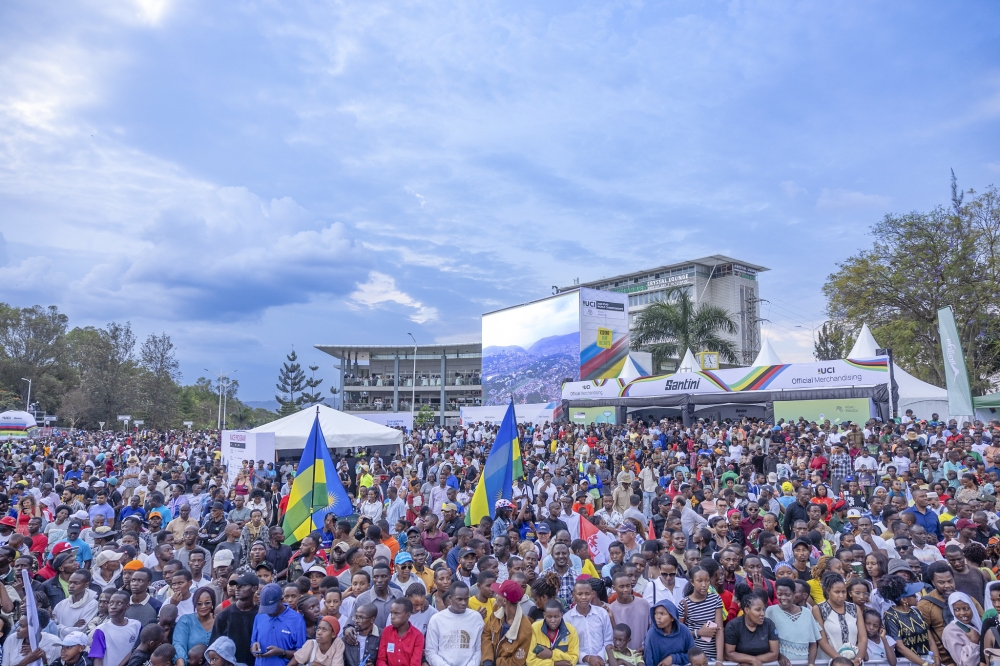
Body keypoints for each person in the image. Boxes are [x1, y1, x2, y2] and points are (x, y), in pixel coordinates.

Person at [880, 574, 939, 666]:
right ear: (904, 599)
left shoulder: (916, 612)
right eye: (914, 595)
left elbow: (930, 639)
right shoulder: (890, 616)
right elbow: (900, 647)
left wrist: (936, 658)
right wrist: (924, 664)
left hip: (928, 660)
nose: (917, 596)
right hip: (907, 663)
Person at [812, 572, 867, 665]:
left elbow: (863, 638)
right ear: (828, 591)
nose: (841, 596)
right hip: (829, 661)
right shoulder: (819, 609)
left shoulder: (854, 608)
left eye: (843, 592)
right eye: (837, 592)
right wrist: (843, 662)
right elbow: (822, 641)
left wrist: (858, 659)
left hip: (854, 662)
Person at [425, 583, 483, 666]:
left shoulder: (476, 618)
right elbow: (430, 652)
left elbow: (479, 649)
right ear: (450, 598)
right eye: (459, 599)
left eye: (466, 599)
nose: (463, 603)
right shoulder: (436, 620)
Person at [766, 578, 821, 665]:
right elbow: (765, 641)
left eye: (787, 595)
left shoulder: (807, 612)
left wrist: (811, 664)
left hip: (803, 663)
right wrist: (779, 656)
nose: (783, 598)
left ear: (794, 594)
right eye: (779, 594)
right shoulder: (771, 611)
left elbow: (813, 643)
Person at [250, 583, 307, 666]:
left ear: (281, 599)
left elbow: (301, 654)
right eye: (265, 608)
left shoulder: (297, 620)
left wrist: (281, 652)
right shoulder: (259, 616)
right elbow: (253, 643)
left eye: (271, 608)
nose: (268, 612)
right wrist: (254, 648)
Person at [723, 585, 780, 666]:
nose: (762, 614)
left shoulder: (769, 624)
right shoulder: (733, 626)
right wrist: (752, 660)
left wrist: (751, 662)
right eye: (758, 610)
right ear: (747, 610)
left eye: (763, 609)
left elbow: (774, 654)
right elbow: (729, 653)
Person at [209, 572, 258, 666]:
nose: (237, 588)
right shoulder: (224, 615)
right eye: (237, 585)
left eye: (243, 586)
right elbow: (215, 647)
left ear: (254, 588)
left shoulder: (261, 614)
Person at [678, 566, 723, 665]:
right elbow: (679, 634)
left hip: (711, 657)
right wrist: (698, 632)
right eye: (699, 581)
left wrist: (719, 659)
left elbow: (719, 631)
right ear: (692, 582)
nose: (704, 585)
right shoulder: (684, 604)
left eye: (707, 581)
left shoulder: (715, 599)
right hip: (692, 658)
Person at [482, 580, 532, 666]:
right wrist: (487, 660)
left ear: (505, 601)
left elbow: (517, 661)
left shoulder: (526, 629)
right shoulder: (496, 609)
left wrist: (495, 663)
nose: (496, 595)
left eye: (498, 594)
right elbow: (487, 634)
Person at [564, 579, 613, 666]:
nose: (584, 597)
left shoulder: (602, 613)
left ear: (592, 594)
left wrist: (600, 657)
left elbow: (608, 640)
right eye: (580, 594)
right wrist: (587, 658)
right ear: (573, 595)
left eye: (587, 594)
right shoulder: (567, 618)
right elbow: (567, 645)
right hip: (579, 663)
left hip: (602, 661)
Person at [89, 591, 142, 666]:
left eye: (119, 603)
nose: (113, 606)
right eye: (111, 603)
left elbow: (138, 648)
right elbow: (97, 659)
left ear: (127, 606)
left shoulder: (136, 625)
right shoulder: (101, 630)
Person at [528, 600, 580, 666]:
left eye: (556, 617)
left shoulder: (571, 630)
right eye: (549, 617)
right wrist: (554, 664)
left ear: (561, 615)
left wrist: (552, 654)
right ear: (544, 615)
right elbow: (530, 661)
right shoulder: (535, 628)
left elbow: (573, 658)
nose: (553, 620)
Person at [173, 587, 216, 666]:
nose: (203, 606)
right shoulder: (185, 621)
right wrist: (181, 663)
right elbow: (179, 645)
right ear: (194, 604)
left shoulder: (220, 621)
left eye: (207, 603)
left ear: (213, 603)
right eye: (199, 603)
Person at [645, 599, 693, 666]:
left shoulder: (684, 630)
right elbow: (649, 661)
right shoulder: (651, 634)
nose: (658, 617)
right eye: (656, 613)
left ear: (672, 617)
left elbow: (693, 656)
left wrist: (673, 658)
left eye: (662, 614)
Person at [376, 598, 424, 666]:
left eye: (396, 614)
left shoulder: (418, 636)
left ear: (408, 615)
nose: (392, 617)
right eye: (391, 613)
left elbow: (415, 663)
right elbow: (381, 659)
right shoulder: (386, 631)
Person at [941, 591, 981, 666]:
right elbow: (964, 663)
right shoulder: (950, 631)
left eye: (966, 608)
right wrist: (974, 642)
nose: (962, 613)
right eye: (957, 610)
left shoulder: (976, 624)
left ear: (972, 608)